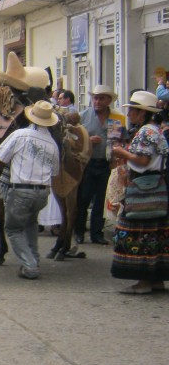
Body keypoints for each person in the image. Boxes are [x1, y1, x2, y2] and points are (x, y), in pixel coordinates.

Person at [0, 101, 61, 279]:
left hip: (21, 190)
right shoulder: (52, 144)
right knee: (30, 224)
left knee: (12, 229)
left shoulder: (20, 135)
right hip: (43, 192)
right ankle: (34, 259)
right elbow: (55, 172)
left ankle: (30, 265)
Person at [109, 90, 169, 293]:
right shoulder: (155, 131)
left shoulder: (146, 132)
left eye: (133, 111)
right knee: (155, 233)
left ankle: (143, 281)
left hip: (143, 187)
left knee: (138, 232)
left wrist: (121, 152)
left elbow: (143, 160)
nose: (129, 114)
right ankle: (156, 280)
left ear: (142, 113)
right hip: (154, 186)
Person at [76, 84, 125, 245]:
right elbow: (73, 139)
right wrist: (87, 141)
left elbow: (121, 140)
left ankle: (97, 233)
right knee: (83, 199)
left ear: (108, 101)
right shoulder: (82, 116)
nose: (96, 101)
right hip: (88, 163)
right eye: (95, 98)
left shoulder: (117, 118)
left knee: (101, 200)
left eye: (101, 98)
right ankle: (79, 232)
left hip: (106, 164)